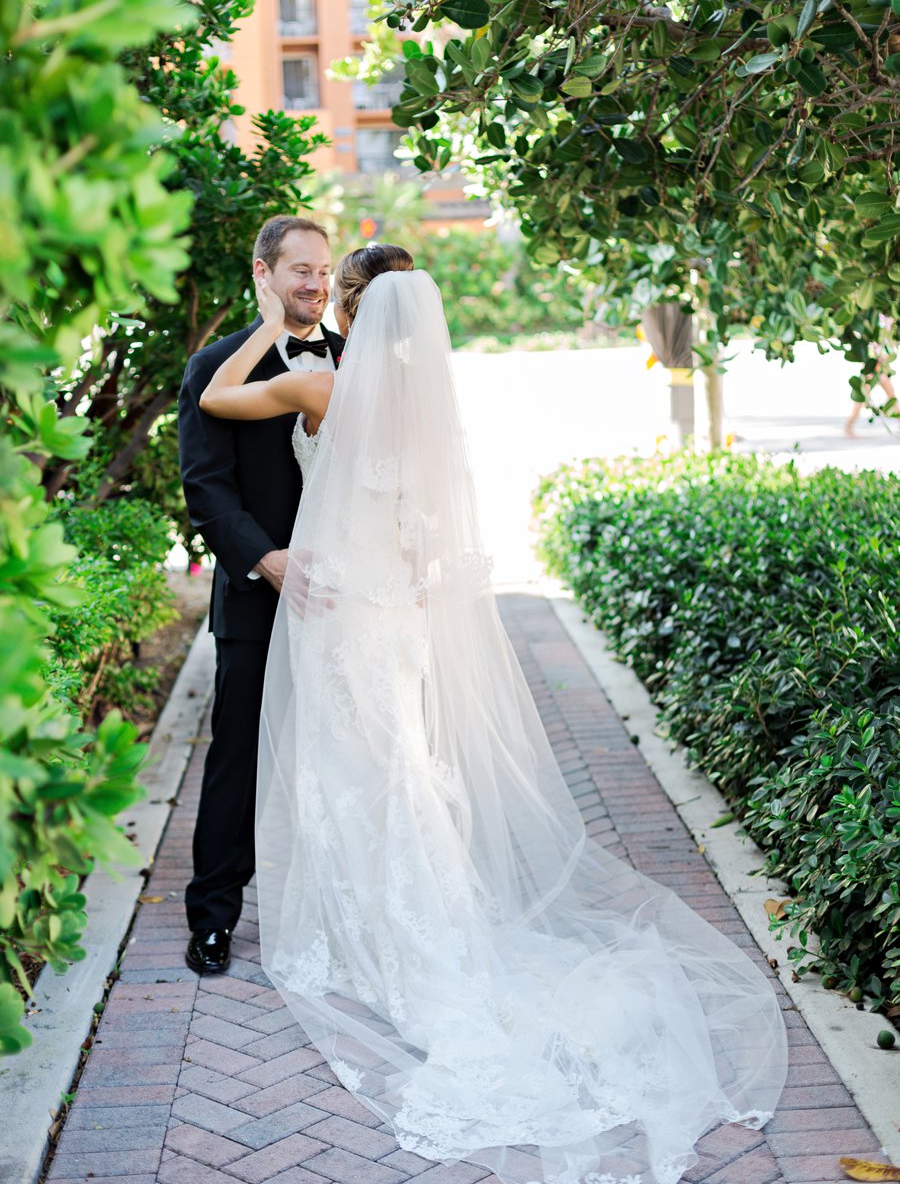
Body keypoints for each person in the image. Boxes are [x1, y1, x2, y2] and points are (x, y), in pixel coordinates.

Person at [198, 244, 787, 1184]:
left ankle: (372, 930)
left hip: (341, 611)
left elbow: (218, 401)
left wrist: (271, 321)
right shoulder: (428, 408)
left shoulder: (318, 387)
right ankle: (420, 915)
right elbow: (431, 532)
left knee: (352, 767)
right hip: (398, 612)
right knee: (400, 764)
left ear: (350, 305)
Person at [177, 216, 344, 975]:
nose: (313, 283)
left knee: (345, 755)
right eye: (299, 270)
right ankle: (213, 917)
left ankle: (346, 908)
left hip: (346, 602)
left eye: (323, 269)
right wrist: (264, 559)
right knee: (237, 760)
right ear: (264, 275)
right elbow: (205, 487)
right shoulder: (216, 367)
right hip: (255, 597)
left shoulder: (354, 361)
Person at [845, 314, 896, 437]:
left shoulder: (886, 333)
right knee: (861, 400)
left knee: (892, 398)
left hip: (880, 372)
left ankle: (848, 427)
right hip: (870, 371)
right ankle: (848, 427)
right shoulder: (872, 331)